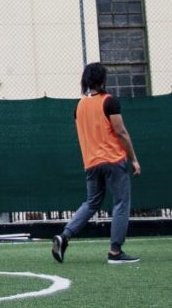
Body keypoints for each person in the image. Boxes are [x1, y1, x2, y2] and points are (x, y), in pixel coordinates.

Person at [51, 62, 141, 266]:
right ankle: (115, 252)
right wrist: (134, 159)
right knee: (121, 203)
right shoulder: (109, 102)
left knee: (92, 203)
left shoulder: (79, 106)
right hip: (113, 160)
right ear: (103, 80)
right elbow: (121, 132)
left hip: (91, 163)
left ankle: (64, 236)